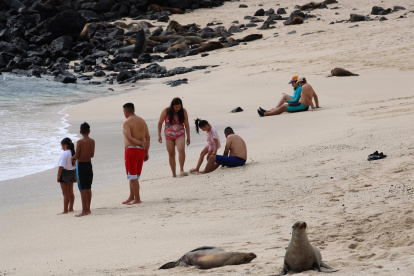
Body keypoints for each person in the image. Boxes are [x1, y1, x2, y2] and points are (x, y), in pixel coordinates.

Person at [122, 103, 150, 205]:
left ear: (125, 112)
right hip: (141, 151)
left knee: (133, 176)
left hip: (132, 150)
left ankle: (137, 198)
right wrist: (146, 150)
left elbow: (129, 138)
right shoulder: (142, 121)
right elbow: (148, 137)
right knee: (133, 175)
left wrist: (140, 143)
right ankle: (131, 196)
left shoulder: (127, 122)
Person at [158, 97, 190, 177]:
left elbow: (186, 124)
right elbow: (160, 123)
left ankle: (181, 169)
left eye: (179, 107)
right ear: (172, 106)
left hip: (180, 133)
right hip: (169, 135)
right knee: (171, 153)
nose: (178, 109)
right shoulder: (166, 111)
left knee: (181, 149)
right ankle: (174, 173)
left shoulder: (183, 111)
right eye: (176, 107)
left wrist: (188, 137)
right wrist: (159, 135)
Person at [71, 122, 95, 217]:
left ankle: (84, 210)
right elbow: (92, 155)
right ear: (89, 131)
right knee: (88, 187)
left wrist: (73, 158)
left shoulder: (80, 142)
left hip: (81, 165)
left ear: (80, 131)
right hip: (89, 164)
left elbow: (77, 155)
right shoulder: (92, 141)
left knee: (82, 188)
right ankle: (88, 209)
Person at [57, 137, 76, 215]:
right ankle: (71, 208)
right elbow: (76, 165)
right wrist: (75, 176)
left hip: (65, 173)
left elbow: (61, 166)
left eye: (62, 146)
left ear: (65, 145)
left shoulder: (65, 153)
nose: (62, 148)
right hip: (72, 172)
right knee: (71, 192)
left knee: (65, 193)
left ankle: (65, 210)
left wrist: (58, 176)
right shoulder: (73, 152)